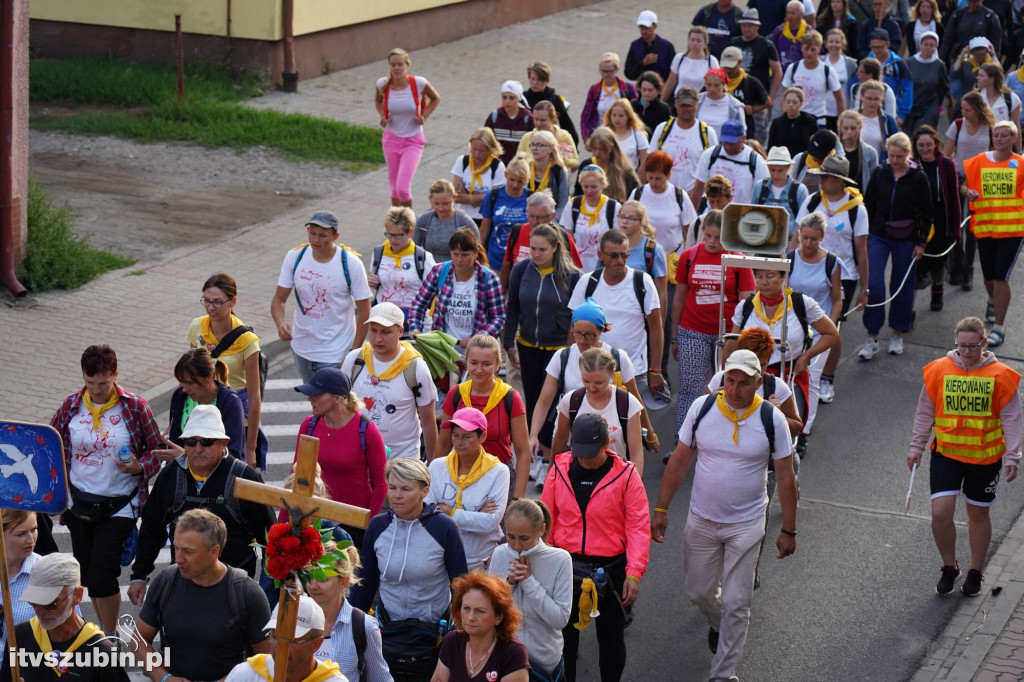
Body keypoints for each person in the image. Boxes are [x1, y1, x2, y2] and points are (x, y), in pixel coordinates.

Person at [652, 350, 796, 682]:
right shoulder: (702, 409)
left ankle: (722, 674)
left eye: (743, 384)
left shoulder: (772, 419)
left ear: (758, 383)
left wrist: (789, 529)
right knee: (699, 593)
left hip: (746, 524)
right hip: (701, 520)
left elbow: (787, 477)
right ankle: (719, 623)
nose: (734, 390)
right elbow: (679, 461)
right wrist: (660, 509)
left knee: (738, 602)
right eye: (729, 381)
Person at [50, 344, 162, 634]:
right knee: (89, 578)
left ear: (116, 375)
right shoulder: (71, 406)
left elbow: (156, 450)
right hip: (79, 503)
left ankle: (109, 638)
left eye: (103, 382)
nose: (97, 390)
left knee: (103, 576)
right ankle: (102, 630)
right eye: (90, 383)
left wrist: (139, 467)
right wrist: (57, 494)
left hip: (120, 504)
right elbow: (51, 447)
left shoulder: (135, 406)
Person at [909, 316, 1022, 597]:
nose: (967, 352)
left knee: (978, 513)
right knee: (940, 513)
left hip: (985, 459)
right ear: (956, 343)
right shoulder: (939, 370)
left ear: (984, 343)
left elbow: (1012, 418)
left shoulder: (1001, 375)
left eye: (973, 346)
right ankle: (950, 567)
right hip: (946, 454)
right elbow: (925, 411)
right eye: (962, 346)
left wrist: (1013, 456)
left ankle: (975, 571)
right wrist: (916, 446)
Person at [542, 413, 649, 682]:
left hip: (611, 569)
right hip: (565, 566)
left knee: (611, 641)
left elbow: (637, 526)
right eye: (579, 452)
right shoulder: (559, 469)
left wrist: (634, 573)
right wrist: (543, 563)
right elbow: (546, 521)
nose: (584, 459)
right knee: (564, 642)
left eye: (591, 452)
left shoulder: (627, 476)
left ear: (606, 444)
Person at [129, 404, 274, 603]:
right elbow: (152, 528)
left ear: (224, 443)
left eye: (206, 442)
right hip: (183, 583)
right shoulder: (171, 475)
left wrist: (271, 590)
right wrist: (139, 575)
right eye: (190, 442)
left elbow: (269, 536)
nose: (197, 449)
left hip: (233, 588)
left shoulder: (245, 477)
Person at [349, 458, 469, 682]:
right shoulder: (377, 526)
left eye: (406, 489)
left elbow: (461, 586)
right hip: (388, 631)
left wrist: (459, 632)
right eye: (392, 488)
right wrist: (349, 625)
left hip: (431, 634)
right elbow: (366, 583)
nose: (396, 495)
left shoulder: (445, 528)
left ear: (424, 491)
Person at [528, 299, 655, 490]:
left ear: (602, 330)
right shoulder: (562, 357)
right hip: (570, 442)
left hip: (612, 443)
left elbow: (635, 401)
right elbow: (544, 402)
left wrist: (650, 433)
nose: (581, 340)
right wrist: (533, 435)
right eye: (577, 333)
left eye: (589, 335)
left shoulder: (618, 358)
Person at [132, 509, 272, 682]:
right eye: (176, 548)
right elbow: (139, 640)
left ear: (214, 551)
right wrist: (164, 678)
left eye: (188, 552)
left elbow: (265, 658)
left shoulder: (248, 593)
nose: (178, 558)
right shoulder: (166, 581)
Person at [725, 266, 839, 456]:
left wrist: (806, 356)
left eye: (770, 276)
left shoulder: (801, 303)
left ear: (783, 278)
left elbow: (831, 333)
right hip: (750, 376)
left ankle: (792, 460)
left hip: (789, 374)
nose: (764, 282)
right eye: (759, 277)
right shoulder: (745, 306)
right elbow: (730, 343)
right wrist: (725, 374)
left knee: (787, 429)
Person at [795, 154, 870, 404]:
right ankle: (801, 368)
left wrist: (865, 288)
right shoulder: (812, 200)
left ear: (839, 181)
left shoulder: (857, 210)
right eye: (821, 176)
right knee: (800, 321)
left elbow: (861, 250)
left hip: (844, 274)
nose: (821, 181)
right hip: (808, 269)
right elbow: (797, 237)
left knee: (832, 327)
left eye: (825, 177)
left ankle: (826, 377)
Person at [672, 209, 757, 432]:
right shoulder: (688, 256)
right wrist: (674, 335)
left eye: (717, 237)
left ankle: (719, 438)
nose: (711, 241)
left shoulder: (738, 260)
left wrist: (743, 338)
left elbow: (749, 302)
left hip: (727, 335)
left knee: (727, 389)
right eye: (707, 235)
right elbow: (679, 297)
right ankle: (683, 440)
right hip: (692, 331)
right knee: (690, 389)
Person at [505, 222, 581, 452]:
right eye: (532, 249)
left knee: (551, 402)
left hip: (557, 348)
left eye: (542, 250)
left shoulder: (572, 276)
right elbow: (514, 306)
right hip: (527, 345)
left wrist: (570, 349)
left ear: (555, 247)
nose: (536, 254)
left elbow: (576, 316)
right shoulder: (521, 270)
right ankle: (534, 449)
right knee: (531, 398)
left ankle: (548, 451)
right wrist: (508, 342)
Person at [272, 211, 373, 384]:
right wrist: (280, 324)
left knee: (335, 405)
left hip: (336, 351)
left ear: (335, 236)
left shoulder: (350, 263)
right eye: (312, 233)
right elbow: (278, 300)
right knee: (315, 402)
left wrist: (353, 352)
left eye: (322, 236)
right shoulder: (295, 257)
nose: (316, 240)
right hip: (302, 348)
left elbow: (365, 311)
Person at [859, 132, 933, 360]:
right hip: (879, 235)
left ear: (908, 155)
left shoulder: (918, 177)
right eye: (891, 155)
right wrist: (865, 234)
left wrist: (921, 242)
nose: (895, 160)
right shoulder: (881, 173)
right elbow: (867, 204)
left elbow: (928, 212)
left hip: (907, 237)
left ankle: (897, 333)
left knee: (902, 285)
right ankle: (872, 336)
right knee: (874, 285)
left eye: (899, 156)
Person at [294, 368, 387, 547]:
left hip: (354, 524)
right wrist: (285, 523)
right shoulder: (309, 425)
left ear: (338, 398)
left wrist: (369, 526)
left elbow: (381, 483)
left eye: (317, 394)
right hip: (315, 521)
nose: (309, 398)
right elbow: (296, 475)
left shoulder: (366, 430)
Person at [1, 553, 129, 682]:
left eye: (51, 604)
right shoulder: (19, 636)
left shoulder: (101, 651)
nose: (40, 612)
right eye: (34, 602)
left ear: (77, 595)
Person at [568, 230, 664, 399]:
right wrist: (570, 365)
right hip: (593, 372)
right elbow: (573, 327)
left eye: (624, 255)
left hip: (634, 371)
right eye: (613, 256)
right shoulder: (587, 282)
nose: (619, 261)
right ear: (600, 255)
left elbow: (656, 328)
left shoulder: (643, 282)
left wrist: (655, 370)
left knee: (633, 423)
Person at [188, 272, 267, 468]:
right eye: (206, 301)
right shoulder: (197, 327)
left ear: (233, 302)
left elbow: (254, 396)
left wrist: (250, 447)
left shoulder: (247, 340)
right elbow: (190, 377)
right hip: (204, 412)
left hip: (234, 415)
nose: (210, 308)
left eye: (217, 302)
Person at [487, 499, 572, 681]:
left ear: (541, 530)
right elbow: (488, 611)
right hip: (504, 659)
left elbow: (560, 619)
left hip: (544, 663)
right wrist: (508, 583)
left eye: (524, 538)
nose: (517, 546)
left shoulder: (561, 559)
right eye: (510, 537)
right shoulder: (500, 553)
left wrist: (529, 582)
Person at [436, 336, 529, 500]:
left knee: (495, 526)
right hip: (460, 473)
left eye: (487, 364)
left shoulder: (510, 397)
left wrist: (517, 498)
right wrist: (432, 482)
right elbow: (443, 443)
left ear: (498, 365)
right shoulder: (456, 394)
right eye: (474, 363)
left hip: (498, 476)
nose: (479, 369)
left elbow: (523, 452)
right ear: (466, 363)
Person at [343, 302, 438, 460]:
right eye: (373, 331)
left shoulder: (416, 367)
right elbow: (340, 407)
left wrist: (433, 467)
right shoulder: (354, 360)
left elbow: (428, 421)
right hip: (359, 458)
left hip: (401, 462)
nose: (378, 339)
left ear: (400, 331)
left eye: (386, 332)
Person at [963, 120, 1024, 347]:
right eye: (996, 135)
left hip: (1013, 230)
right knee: (988, 276)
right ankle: (992, 300)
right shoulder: (980, 161)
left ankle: (999, 326)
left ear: (1013, 139)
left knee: (1001, 277)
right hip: (985, 227)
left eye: (1004, 135)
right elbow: (963, 184)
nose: (999, 139)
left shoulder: (1020, 164)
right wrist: (967, 191)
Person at [427, 408, 510, 571]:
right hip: (439, 557)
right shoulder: (437, 466)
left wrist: (449, 511)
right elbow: (426, 513)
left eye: (467, 437)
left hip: (479, 562)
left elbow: (490, 523)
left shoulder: (498, 471)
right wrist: (476, 514)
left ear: (483, 437)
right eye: (455, 436)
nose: (459, 442)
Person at [787, 212, 844, 439]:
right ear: (799, 234)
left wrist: (830, 325)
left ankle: (804, 432)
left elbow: (837, 298)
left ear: (822, 237)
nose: (808, 243)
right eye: (805, 237)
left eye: (814, 239)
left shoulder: (831, 262)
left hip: (820, 330)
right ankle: (789, 423)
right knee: (791, 375)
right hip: (794, 328)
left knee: (812, 378)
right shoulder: (790, 258)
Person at [307, 536, 393, 682]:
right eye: (310, 577)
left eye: (323, 579)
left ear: (343, 581)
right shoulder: (292, 617)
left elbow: (381, 678)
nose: (313, 585)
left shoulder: (363, 626)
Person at [552, 343, 646, 470]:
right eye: (586, 381)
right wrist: (551, 478)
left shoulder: (628, 403)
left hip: (617, 477)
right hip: (577, 477)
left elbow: (636, 453)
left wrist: (635, 485)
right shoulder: (570, 401)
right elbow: (560, 443)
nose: (592, 387)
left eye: (598, 382)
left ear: (612, 374)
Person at [408, 229, 506, 350]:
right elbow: (419, 304)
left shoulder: (489, 279)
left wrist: (478, 338)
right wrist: (415, 329)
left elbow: (499, 317)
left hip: (478, 351)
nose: (459, 260)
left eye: (465, 255)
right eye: (455, 254)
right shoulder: (439, 272)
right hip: (443, 349)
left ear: (476, 253)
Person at [432, 572, 530, 682]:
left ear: (499, 617)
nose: (471, 617)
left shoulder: (513, 653)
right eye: (466, 608)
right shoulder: (452, 641)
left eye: (480, 611)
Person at [375, 48, 440, 209]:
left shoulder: (418, 83)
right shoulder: (382, 84)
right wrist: (383, 116)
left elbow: (435, 98)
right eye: (393, 65)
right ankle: (395, 222)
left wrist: (424, 116)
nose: (396, 68)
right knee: (394, 189)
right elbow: (378, 101)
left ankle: (409, 224)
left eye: (400, 64)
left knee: (403, 188)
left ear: (407, 65)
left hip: (413, 140)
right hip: (391, 139)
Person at [224, 595, 344, 682]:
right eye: (275, 637)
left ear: (317, 644)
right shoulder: (246, 675)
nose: (281, 647)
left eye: (292, 641)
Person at [945, 91, 995, 293]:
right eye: (962, 109)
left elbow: (994, 154)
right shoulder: (957, 125)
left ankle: (969, 269)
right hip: (958, 178)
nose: (963, 112)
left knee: (972, 227)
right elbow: (947, 155)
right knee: (956, 223)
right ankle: (956, 265)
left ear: (977, 109)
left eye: (967, 109)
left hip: (980, 181)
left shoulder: (990, 128)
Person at [912, 126, 962, 313]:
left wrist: (956, 230)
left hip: (941, 220)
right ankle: (910, 308)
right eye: (921, 145)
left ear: (935, 144)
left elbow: (955, 200)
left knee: (938, 262)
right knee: (916, 264)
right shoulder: (912, 165)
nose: (925, 149)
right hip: (919, 222)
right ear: (916, 146)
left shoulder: (947, 165)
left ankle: (937, 293)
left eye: (928, 145)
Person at [164, 348, 246, 461]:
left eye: (190, 383)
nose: (184, 390)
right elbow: (174, 440)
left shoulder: (230, 403)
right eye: (181, 382)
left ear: (209, 378)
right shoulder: (179, 396)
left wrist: (185, 457)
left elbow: (233, 454)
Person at [368, 207, 437, 329]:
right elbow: (374, 281)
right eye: (389, 234)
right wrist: (371, 282)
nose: (392, 240)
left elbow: (435, 291)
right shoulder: (378, 253)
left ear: (410, 232)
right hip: (385, 323)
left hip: (415, 326)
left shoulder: (423, 258)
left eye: (398, 236)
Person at [500, 193, 584, 289]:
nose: (535, 221)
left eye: (540, 217)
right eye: (531, 216)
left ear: (552, 216)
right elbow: (507, 263)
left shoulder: (564, 237)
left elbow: (576, 271)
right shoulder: (517, 232)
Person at [649, 88, 719, 194]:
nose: (686, 109)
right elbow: (650, 162)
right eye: (682, 105)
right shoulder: (662, 129)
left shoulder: (708, 133)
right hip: (665, 193)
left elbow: (714, 169)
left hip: (696, 196)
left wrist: (697, 192)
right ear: (675, 104)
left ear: (697, 104)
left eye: (690, 105)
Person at [730, 9, 784, 144]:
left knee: (757, 137)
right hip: (735, 96)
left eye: (749, 25)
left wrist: (771, 97)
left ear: (757, 27)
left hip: (758, 100)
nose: (746, 28)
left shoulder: (766, 44)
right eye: (743, 25)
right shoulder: (734, 43)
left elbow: (777, 71)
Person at [693, 119, 770, 206]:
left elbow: (762, 195)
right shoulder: (710, 155)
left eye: (732, 143)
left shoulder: (756, 161)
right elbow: (698, 189)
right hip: (713, 213)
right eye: (725, 142)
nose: (728, 147)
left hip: (741, 214)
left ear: (743, 138)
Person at [561, 165, 621, 271]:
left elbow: (618, 239)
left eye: (594, 187)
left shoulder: (613, 207)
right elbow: (567, 238)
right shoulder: (573, 204)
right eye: (585, 186)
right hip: (578, 266)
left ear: (603, 185)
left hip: (603, 267)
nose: (589, 191)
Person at [781, 31, 845, 127]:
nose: (809, 53)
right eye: (806, 49)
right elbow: (784, 95)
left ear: (819, 49)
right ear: (801, 49)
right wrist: (785, 116)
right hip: (796, 118)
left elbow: (839, 99)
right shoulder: (793, 68)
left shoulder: (827, 71)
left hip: (818, 121)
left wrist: (841, 123)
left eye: (813, 49)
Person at [0, 510, 40, 653]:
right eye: (21, 534)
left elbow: (71, 636)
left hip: (28, 669)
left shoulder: (47, 574)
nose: (31, 540)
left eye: (34, 530)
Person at [480, 157, 532, 268]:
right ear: (505, 174)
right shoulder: (493, 196)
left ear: (527, 180)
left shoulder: (531, 199)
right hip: (495, 260)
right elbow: (484, 229)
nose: (515, 185)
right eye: (512, 179)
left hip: (522, 262)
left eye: (520, 181)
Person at [617, 200, 668, 312]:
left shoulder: (653, 250)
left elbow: (661, 292)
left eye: (631, 218)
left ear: (641, 222)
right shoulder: (610, 246)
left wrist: (659, 327)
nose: (625, 221)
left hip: (642, 313)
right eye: (622, 217)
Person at [414, 179, 479, 263]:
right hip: (428, 270)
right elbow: (414, 250)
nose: (440, 208)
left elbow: (477, 252)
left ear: (454, 198)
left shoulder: (465, 223)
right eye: (436, 204)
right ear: (430, 199)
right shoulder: (423, 221)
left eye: (445, 203)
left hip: (457, 269)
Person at [452, 128, 507, 226]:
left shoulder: (497, 166)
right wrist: (483, 197)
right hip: (463, 217)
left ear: (490, 149)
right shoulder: (462, 161)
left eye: (482, 151)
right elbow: (456, 197)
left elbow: (494, 200)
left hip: (486, 219)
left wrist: (467, 197)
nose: (477, 154)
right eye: (474, 149)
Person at [581, 53, 638, 143]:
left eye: (609, 71)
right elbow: (585, 117)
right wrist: (587, 138)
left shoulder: (628, 88)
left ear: (616, 70)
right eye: (602, 71)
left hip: (623, 137)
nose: (605, 75)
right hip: (601, 138)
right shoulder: (595, 89)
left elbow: (636, 113)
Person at [574, 127, 640, 204]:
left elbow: (635, 194)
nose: (597, 153)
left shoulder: (624, 169)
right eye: (594, 149)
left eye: (601, 149)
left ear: (611, 148)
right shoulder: (587, 165)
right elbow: (578, 193)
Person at [755, 145, 809, 237]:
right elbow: (753, 215)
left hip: (789, 244)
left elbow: (804, 223)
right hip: (762, 242)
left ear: (788, 168)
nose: (775, 175)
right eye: (772, 170)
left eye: (780, 171)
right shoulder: (759, 186)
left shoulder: (800, 190)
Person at [718, 46, 770, 139]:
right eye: (726, 67)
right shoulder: (717, 81)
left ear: (740, 63)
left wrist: (753, 109)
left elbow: (767, 102)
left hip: (743, 127)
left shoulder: (751, 82)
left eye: (731, 67)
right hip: (721, 124)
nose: (728, 70)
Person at [523, 61, 580, 146]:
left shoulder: (554, 99)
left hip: (549, 143)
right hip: (528, 143)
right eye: (532, 79)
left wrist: (571, 147)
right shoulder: (523, 100)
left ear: (547, 81)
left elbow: (567, 125)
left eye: (539, 80)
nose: (535, 83)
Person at [905, 32, 951, 135]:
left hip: (929, 105)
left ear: (935, 48)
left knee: (923, 133)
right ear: (920, 45)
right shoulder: (909, 62)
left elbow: (945, 87)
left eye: (932, 45)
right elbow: (903, 85)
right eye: (926, 44)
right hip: (911, 105)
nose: (928, 48)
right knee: (908, 137)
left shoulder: (939, 65)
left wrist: (945, 104)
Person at [517, 100, 580, 176]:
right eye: (536, 119)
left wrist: (557, 158)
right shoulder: (527, 137)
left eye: (543, 120)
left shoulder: (563, 136)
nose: (538, 124)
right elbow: (518, 162)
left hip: (556, 180)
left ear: (553, 118)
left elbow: (575, 161)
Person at [866, 28, 914, 126]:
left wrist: (902, 115)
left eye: (879, 47)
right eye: (873, 47)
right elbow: (856, 82)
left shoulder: (898, 63)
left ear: (887, 45)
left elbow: (908, 88)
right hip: (869, 108)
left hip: (890, 109)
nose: (876, 51)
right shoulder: (868, 60)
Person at [520, 128, 570, 216]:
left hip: (550, 220)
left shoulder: (559, 171)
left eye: (539, 145)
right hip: (526, 218)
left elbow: (563, 204)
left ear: (550, 149)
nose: (535, 148)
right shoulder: (525, 167)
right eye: (532, 144)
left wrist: (551, 222)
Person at [939, 0, 1003, 67]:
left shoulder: (991, 17)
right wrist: (940, 60)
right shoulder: (958, 14)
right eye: (970, 1)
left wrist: (994, 63)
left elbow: (996, 45)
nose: (972, 3)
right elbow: (947, 41)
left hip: (983, 62)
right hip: (960, 59)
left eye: (975, 1)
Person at [663, 27, 719, 100]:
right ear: (688, 41)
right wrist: (662, 102)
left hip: (701, 102)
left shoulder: (711, 61)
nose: (695, 43)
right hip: (679, 101)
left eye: (699, 41)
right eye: (692, 40)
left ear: (705, 43)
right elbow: (670, 84)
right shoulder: (679, 58)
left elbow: (717, 85)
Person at [485, 81, 533, 166]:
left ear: (519, 98)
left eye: (512, 98)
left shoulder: (527, 118)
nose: (507, 101)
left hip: (520, 168)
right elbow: (485, 142)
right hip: (498, 167)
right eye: (504, 97)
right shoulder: (494, 117)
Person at [949, 37, 998, 115]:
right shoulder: (967, 62)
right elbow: (954, 72)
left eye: (983, 55)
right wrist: (962, 54)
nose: (980, 59)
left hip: (984, 103)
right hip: (967, 99)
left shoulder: (990, 64)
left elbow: (998, 71)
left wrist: (993, 54)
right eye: (977, 56)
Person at [767, 87, 820, 158]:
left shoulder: (810, 121)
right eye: (788, 102)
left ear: (801, 103)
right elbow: (771, 146)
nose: (791, 105)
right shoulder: (777, 123)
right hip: (782, 161)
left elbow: (815, 143)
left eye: (794, 102)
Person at [625, 10, 676, 81]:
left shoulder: (667, 47)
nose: (643, 31)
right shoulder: (635, 45)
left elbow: (674, 74)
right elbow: (629, 73)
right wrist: (643, 63)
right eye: (641, 27)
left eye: (646, 27)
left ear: (655, 26)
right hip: (642, 90)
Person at [696, 67, 746, 139]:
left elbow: (742, 131)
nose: (712, 89)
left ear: (724, 85)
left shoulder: (735, 105)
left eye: (716, 85)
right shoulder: (697, 100)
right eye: (709, 85)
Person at [836, 110, 880, 192]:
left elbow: (874, 182)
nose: (849, 132)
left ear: (860, 128)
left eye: (853, 128)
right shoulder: (833, 151)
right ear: (840, 128)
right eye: (845, 128)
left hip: (860, 199)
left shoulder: (870, 153)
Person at [976, 64, 1022, 141]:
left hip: (1002, 146)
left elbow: (1016, 127)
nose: (977, 78)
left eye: (981, 76)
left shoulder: (1012, 99)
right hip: (979, 146)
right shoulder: (975, 97)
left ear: (992, 79)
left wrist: (1019, 151)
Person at [823, 30, 857, 131]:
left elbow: (854, 89)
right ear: (826, 43)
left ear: (843, 44)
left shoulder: (851, 64)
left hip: (842, 112)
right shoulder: (820, 61)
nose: (834, 45)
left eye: (837, 42)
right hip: (822, 112)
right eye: (831, 41)